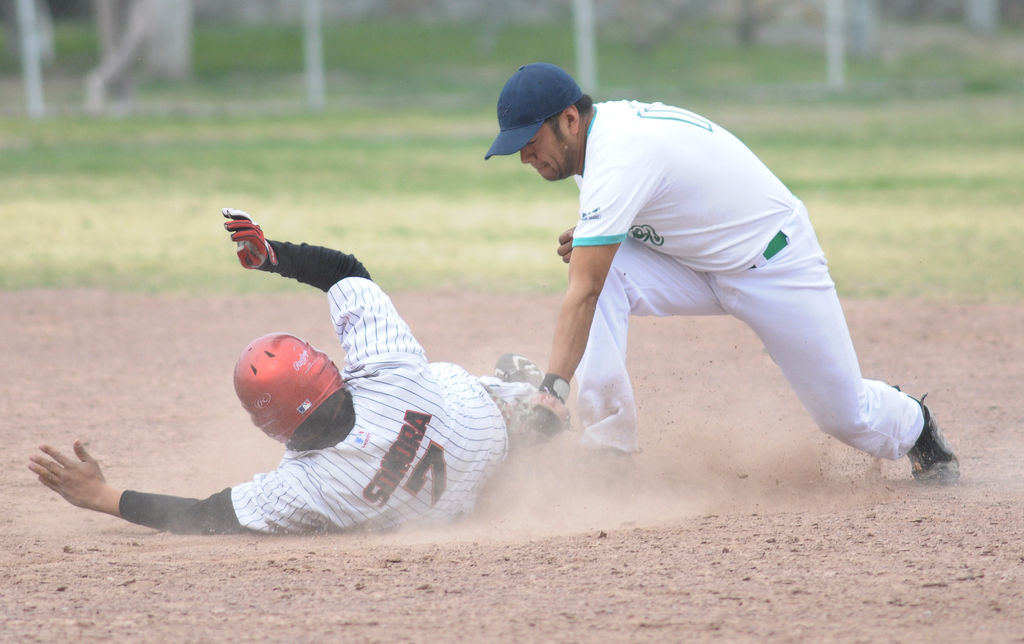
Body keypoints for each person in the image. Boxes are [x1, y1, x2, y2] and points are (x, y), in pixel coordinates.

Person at [484, 62, 959, 484]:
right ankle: (608, 448)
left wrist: (551, 392)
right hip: (699, 263)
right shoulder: (600, 142)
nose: (525, 157)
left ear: (569, 119)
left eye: (530, 141)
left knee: (846, 416)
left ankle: (916, 426)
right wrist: (599, 234)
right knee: (601, 269)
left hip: (775, 265)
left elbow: (584, 290)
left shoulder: (621, 152)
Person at [28, 208, 568, 535]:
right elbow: (345, 273)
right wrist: (272, 257)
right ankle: (525, 400)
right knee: (490, 387)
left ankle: (518, 404)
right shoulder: (389, 369)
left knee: (467, 425)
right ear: (326, 372)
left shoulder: (307, 488)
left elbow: (204, 516)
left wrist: (102, 496)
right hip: (488, 430)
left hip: (448, 515)